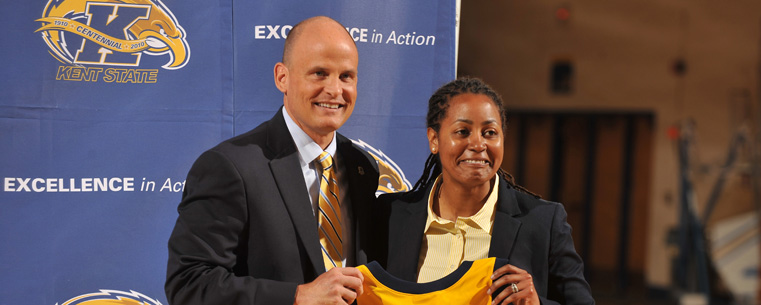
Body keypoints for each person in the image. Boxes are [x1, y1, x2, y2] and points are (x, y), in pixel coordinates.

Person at [165, 16, 379, 305]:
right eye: (319, 73)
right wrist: (297, 296)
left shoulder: (362, 167)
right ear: (282, 77)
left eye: (346, 76)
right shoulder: (229, 167)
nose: (334, 90)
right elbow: (188, 284)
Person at [365, 77, 594, 304]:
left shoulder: (543, 223)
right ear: (434, 139)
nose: (478, 144)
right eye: (463, 131)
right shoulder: (390, 216)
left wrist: (536, 303)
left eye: (490, 132)